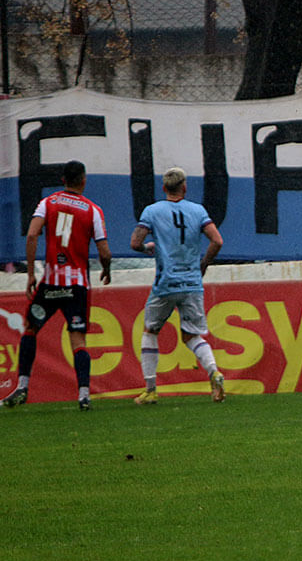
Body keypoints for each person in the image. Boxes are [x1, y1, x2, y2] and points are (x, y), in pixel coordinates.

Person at [3, 160, 112, 410]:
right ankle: (84, 395)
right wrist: (106, 270)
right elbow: (104, 251)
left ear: (63, 180)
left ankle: (22, 387)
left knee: (30, 329)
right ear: (83, 180)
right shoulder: (93, 210)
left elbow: (32, 235)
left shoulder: (47, 203)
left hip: (51, 283)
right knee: (78, 339)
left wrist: (31, 273)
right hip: (77, 285)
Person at [130, 167, 226, 404]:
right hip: (192, 283)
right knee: (192, 335)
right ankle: (214, 372)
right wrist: (203, 263)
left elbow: (135, 243)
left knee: (150, 331)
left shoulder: (152, 211)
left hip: (166, 283)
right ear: (185, 187)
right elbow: (217, 240)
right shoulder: (198, 210)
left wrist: (147, 248)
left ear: (164, 188)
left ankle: (151, 389)